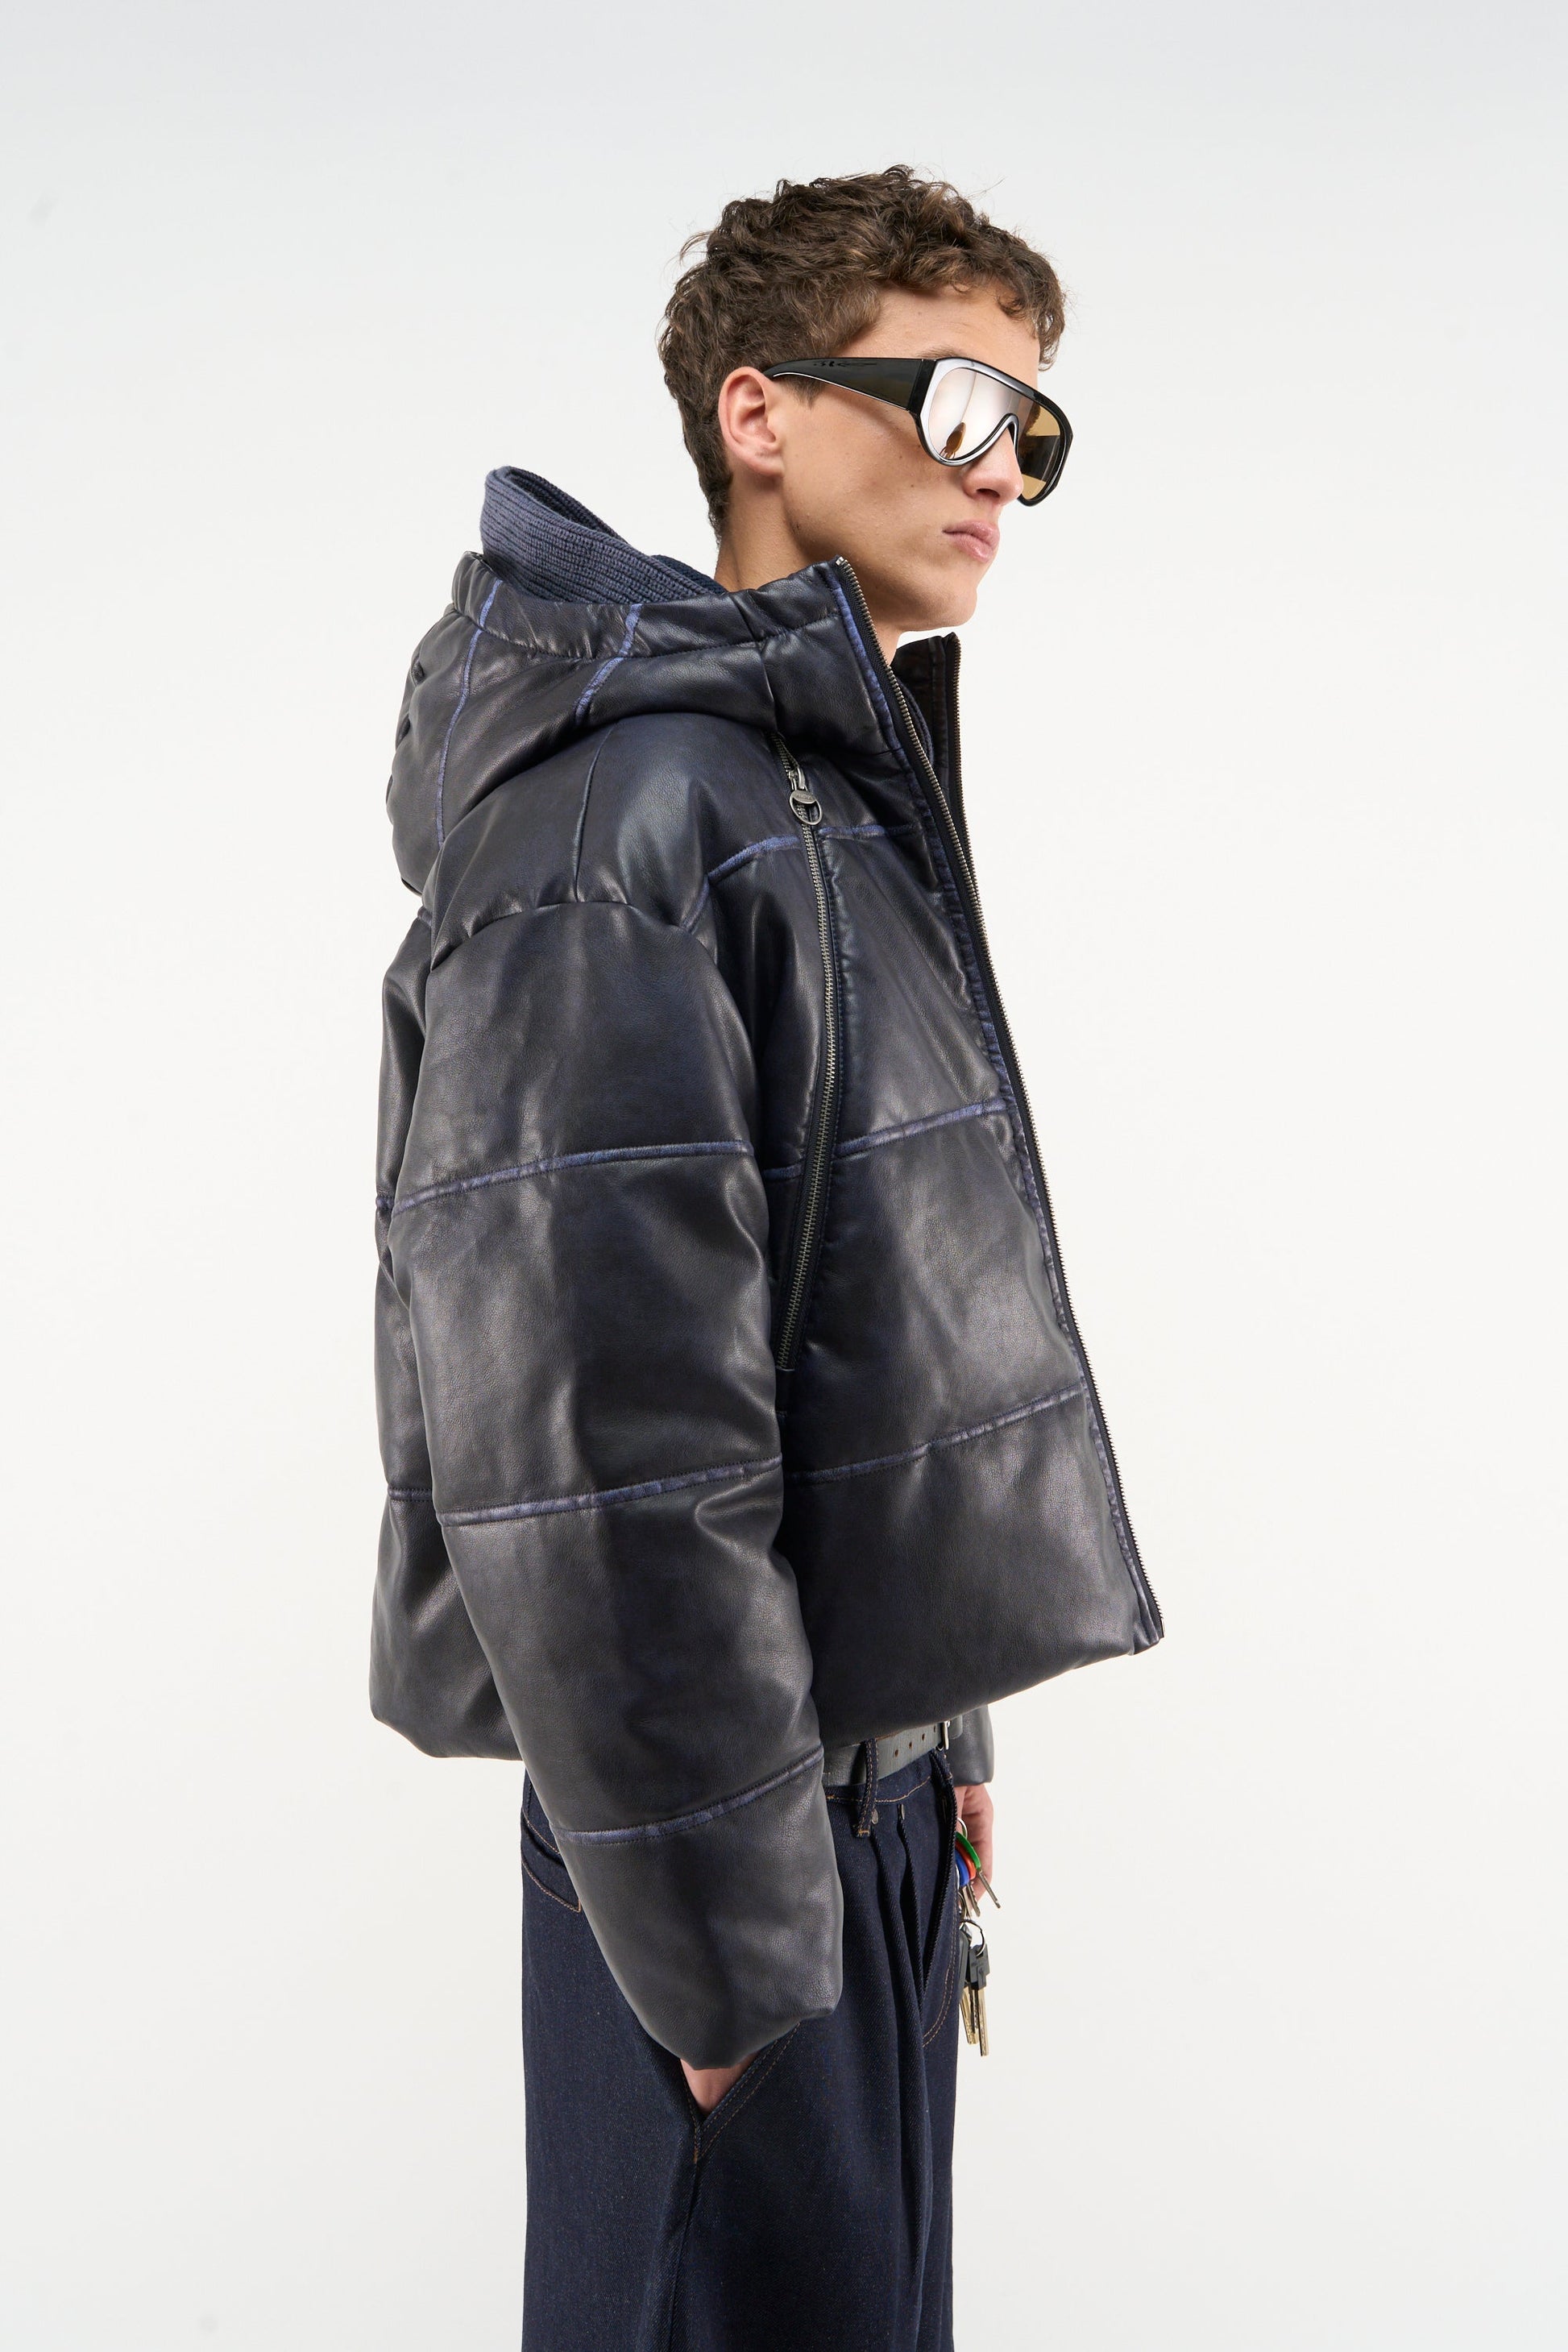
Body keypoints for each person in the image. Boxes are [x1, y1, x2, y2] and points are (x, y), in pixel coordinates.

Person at [371, 165, 1162, 2352]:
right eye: (954, 400)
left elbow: (855, 1307)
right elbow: (596, 1443)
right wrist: (726, 1978)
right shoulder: (618, 823)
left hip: (852, 1811)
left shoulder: (821, 792)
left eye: (1035, 428)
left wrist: (946, 1710)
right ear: (759, 411)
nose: (1000, 469)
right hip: (720, 1858)